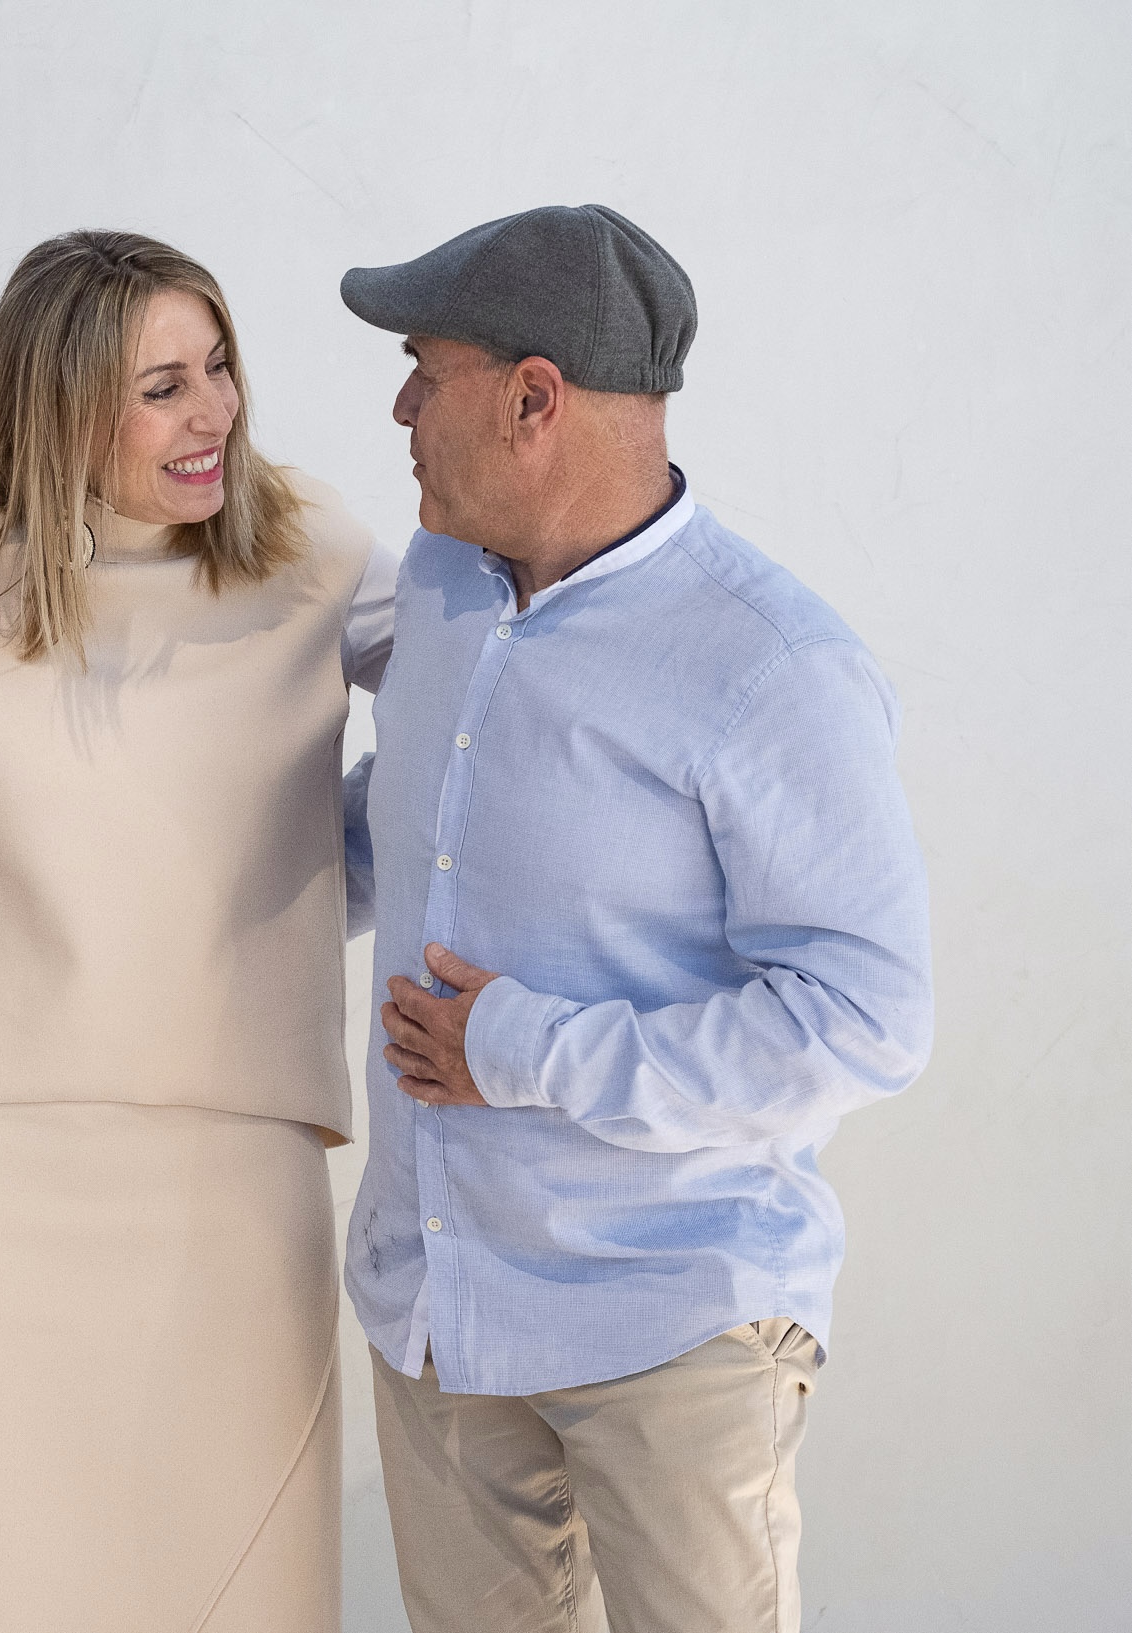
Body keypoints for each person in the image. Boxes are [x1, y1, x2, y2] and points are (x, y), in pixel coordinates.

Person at [0, 232, 392, 1632]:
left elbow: (489, 715)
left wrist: (309, 890)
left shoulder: (313, 547)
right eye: (161, 384)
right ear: (56, 406)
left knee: (228, 1575)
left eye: (217, 366)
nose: (214, 411)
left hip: (232, 1162)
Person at [337, 205, 935, 1633]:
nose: (399, 406)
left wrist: (527, 1049)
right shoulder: (437, 586)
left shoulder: (770, 664)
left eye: (425, 368)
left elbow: (864, 1019)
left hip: (672, 1322)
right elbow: (384, 826)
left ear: (532, 397)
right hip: (436, 1307)